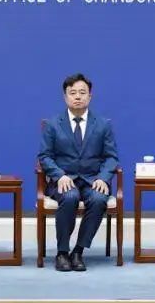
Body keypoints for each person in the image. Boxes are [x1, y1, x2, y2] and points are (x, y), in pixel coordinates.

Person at [38, 73, 119, 272]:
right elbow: (45, 156)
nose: (77, 96)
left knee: (99, 199)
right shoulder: (53, 124)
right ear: (65, 97)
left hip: (92, 180)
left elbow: (111, 157)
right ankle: (62, 253)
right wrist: (59, 175)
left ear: (90, 96)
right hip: (64, 180)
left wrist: (103, 178)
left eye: (82, 92)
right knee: (70, 196)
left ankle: (78, 251)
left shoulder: (102, 124)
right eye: (72, 92)